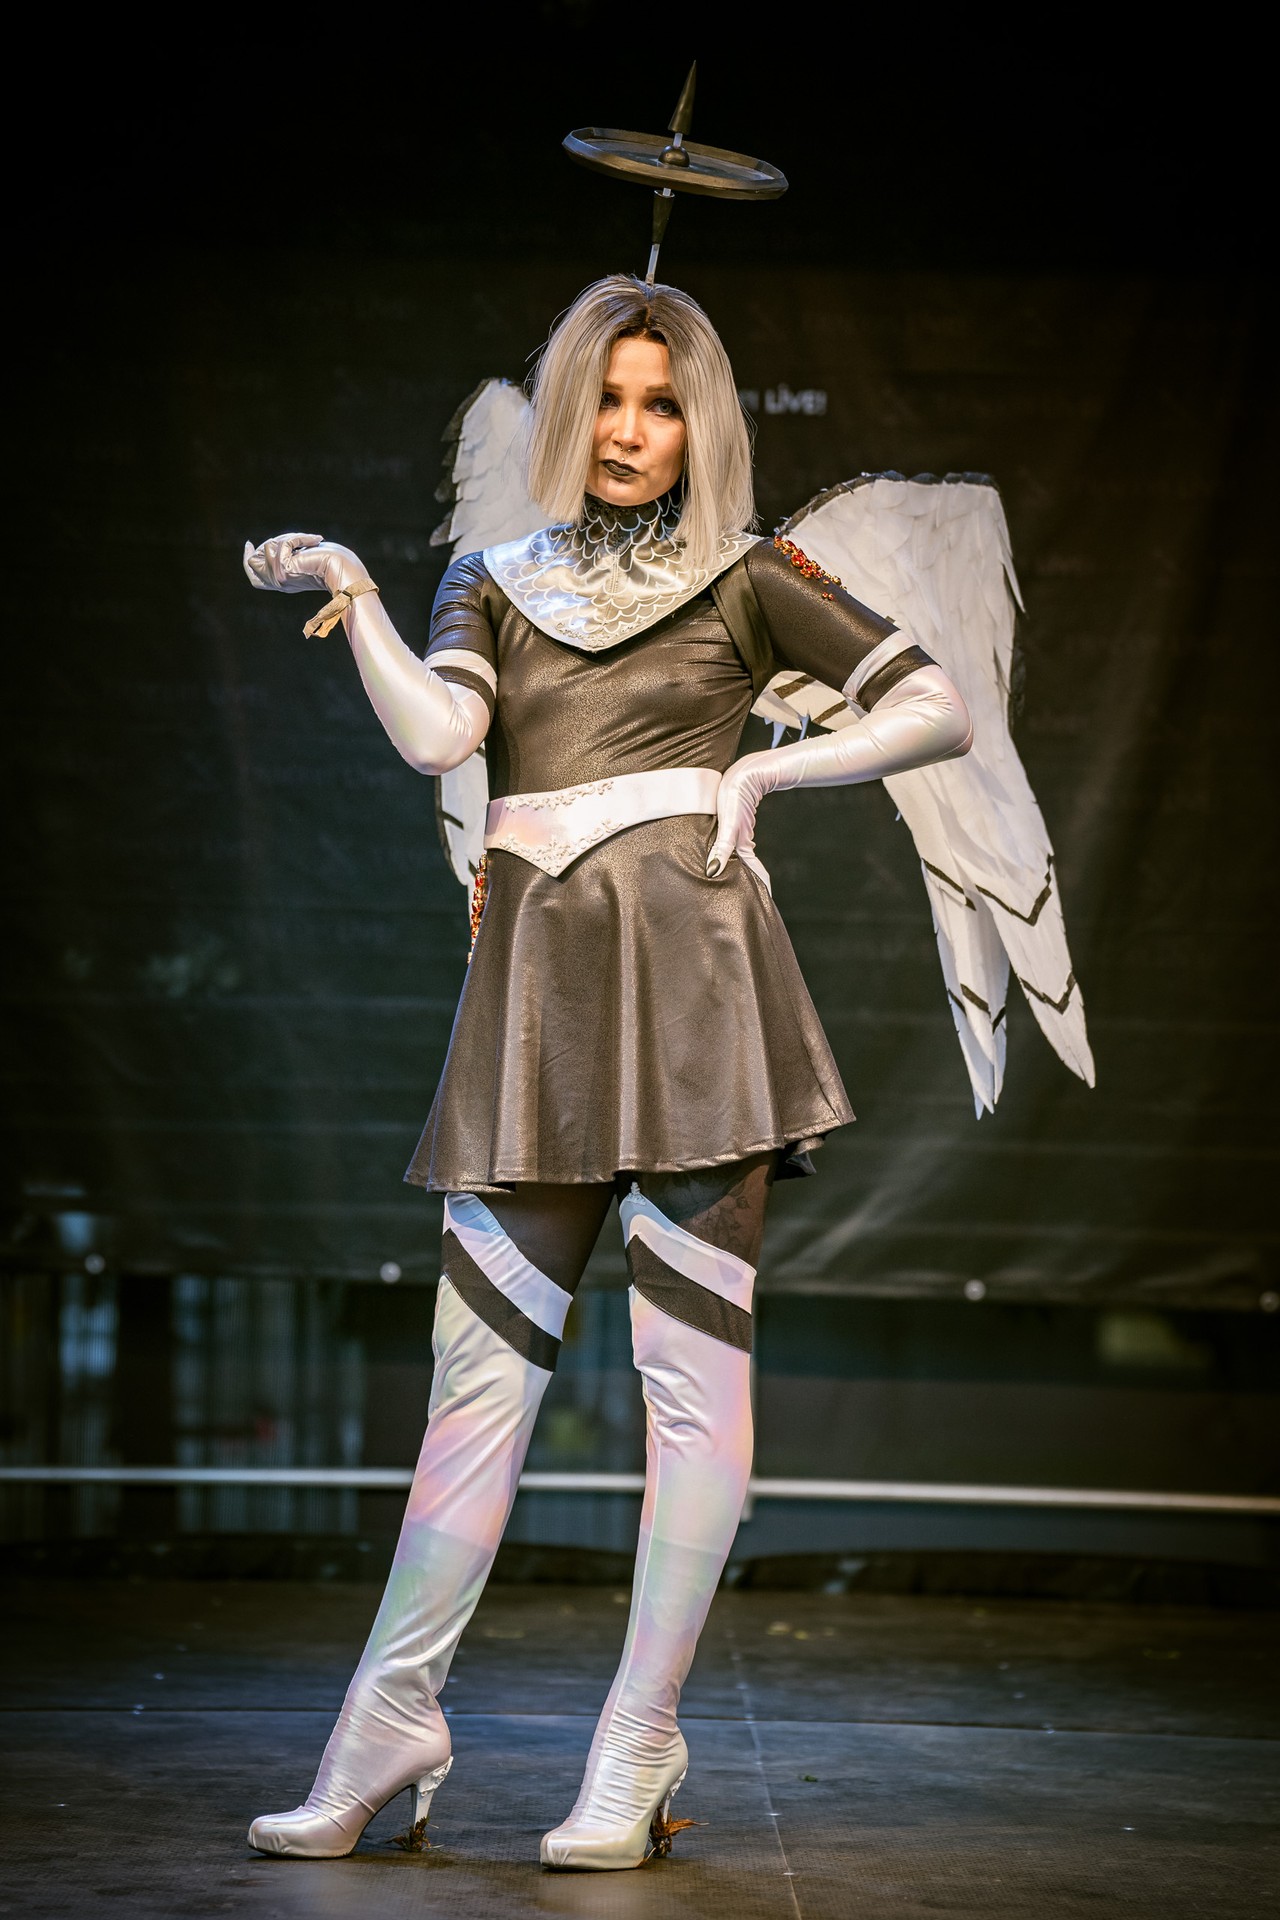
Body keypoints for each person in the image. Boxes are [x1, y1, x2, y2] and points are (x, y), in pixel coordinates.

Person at [241, 273, 972, 1871]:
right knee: (473, 1393)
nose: (633, 430)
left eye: (663, 404)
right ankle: (385, 1722)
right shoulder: (490, 578)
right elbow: (441, 738)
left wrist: (773, 769)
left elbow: (936, 706)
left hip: (703, 1008)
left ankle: (636, 1743)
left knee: (689, 1391)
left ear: (698, 423)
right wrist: (361, 595)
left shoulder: (748, 575)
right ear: (570, 409)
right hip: (538, 1016)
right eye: (612, 400)